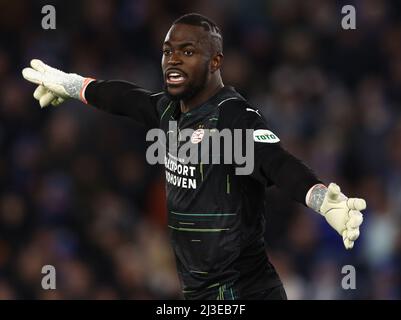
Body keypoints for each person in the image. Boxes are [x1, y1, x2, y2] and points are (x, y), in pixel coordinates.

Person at [22, 13, 366, 300]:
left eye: (187, 51)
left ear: (215, 61)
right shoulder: (169, 111)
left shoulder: (234, 115)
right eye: (167, 50)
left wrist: (322, 200)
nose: (172, 59)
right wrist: (71, 84)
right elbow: (125, 97)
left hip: (244, 293)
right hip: (199, 296)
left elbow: (275, 161)